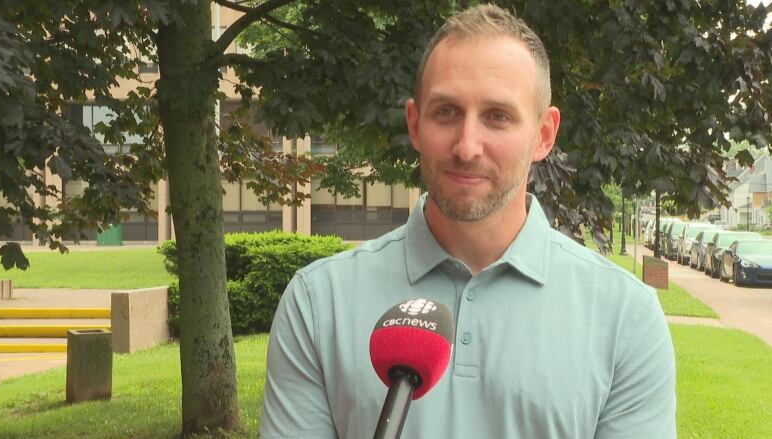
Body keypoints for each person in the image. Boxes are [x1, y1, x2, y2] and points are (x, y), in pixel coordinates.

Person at [261, 4, 676, 438]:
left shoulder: (626, 318)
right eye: (446, 112)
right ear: (415, 125)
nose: (467, 146)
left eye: (497, 116)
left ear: (544, 135)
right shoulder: (318, 304)